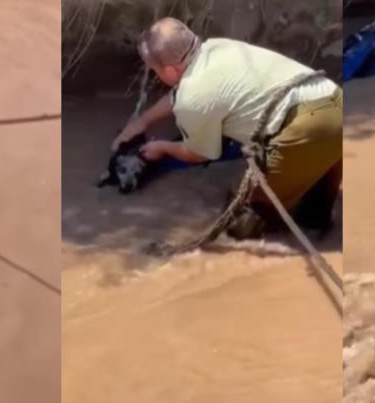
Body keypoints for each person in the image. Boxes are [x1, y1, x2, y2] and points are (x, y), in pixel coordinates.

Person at [112, 17, 343, 240]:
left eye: (155, 70)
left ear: (171, 71)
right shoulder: (217, 47)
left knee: (239, 223)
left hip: (307, 129)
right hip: (335, 103)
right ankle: (317, 227)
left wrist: (161, 147)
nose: (156, 74)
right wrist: (142, 121)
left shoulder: (193, 96)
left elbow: (200, 153)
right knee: (314, 212)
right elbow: (181, 94)